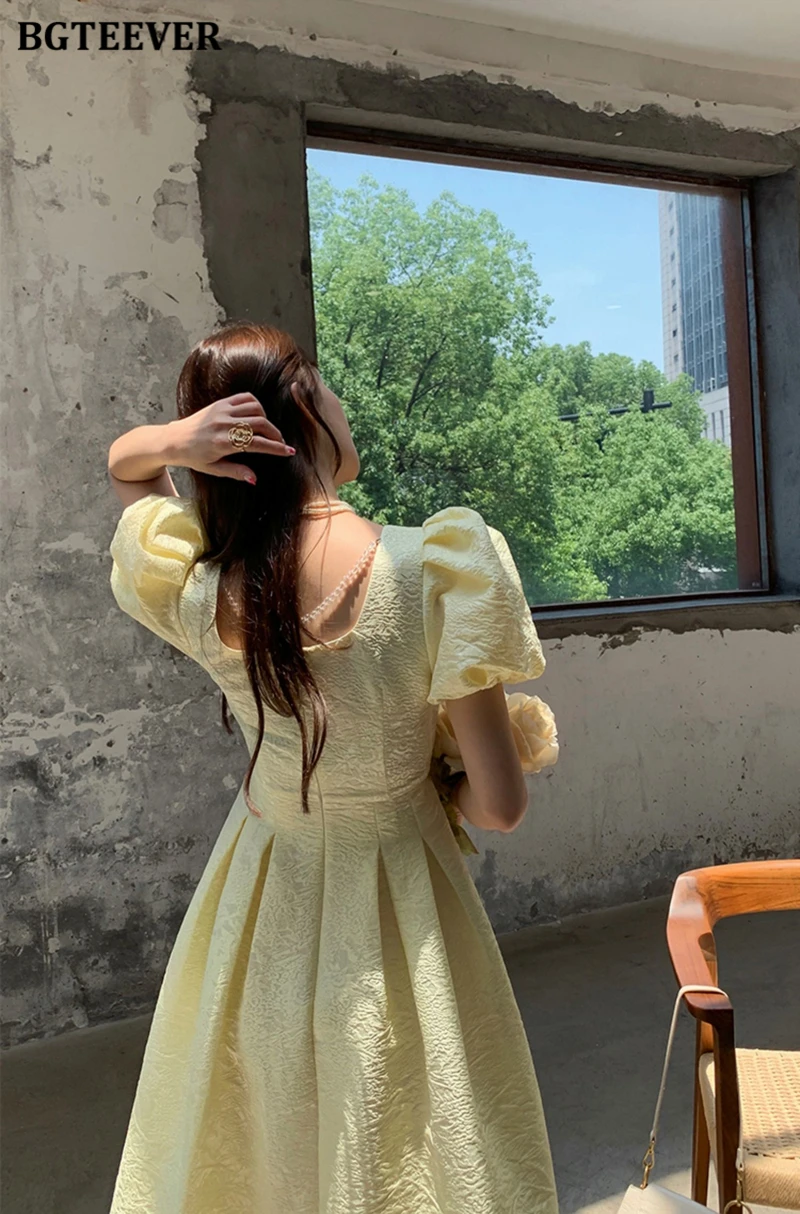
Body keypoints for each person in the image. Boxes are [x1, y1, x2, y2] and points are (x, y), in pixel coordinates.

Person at [106, 320, 559, 1214]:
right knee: (412, 1137)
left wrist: (179, 442)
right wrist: (439, 781)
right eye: (328, 386)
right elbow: (501, 804)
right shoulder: (436, 568)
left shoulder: (198, 583)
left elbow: (127, 470)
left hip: (260, 888)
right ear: (307, 405)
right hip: (401, 897)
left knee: (263, 1137)